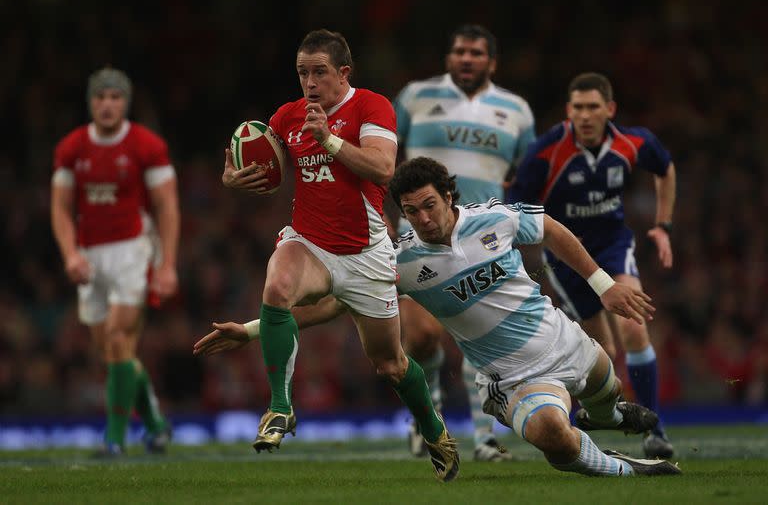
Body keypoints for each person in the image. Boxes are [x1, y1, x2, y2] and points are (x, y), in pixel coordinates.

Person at [195, 157, 681, 477]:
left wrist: (604, 284)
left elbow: (551, 229)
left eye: (430, 205)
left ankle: (610, 416)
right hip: (512, 378)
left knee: (608, 393)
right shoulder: (401, 263)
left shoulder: (493, 219)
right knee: (555, 438)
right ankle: (631, 472)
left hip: (563, 339)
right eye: (411, 211)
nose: (423, 219)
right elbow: (336, 303)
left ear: (448, 195)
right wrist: (257, 329)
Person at [219, 30, 459, 482]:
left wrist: (329, 140)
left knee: (391, 365)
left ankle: (433, 430)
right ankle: (279, 407)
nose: (309, 83)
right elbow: (254, 157)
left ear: (343, 73)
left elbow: (384, 167)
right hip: (309, 243)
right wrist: (233, 177)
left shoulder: (371, 106)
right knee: (277, 287)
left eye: (319, 72)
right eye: (302, 73)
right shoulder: (288, 116)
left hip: (366, 253)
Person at [507, 72, 676, 459]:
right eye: (578, 108)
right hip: (567, 259)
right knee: (602, 352)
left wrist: (662, 226)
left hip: (614, 246)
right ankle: (598, 415)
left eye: (593, 107)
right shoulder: (544, 153)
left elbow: (665, 169)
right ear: (568, 111)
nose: (585, 115)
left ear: (609, 109)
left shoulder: (633, 143)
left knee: (634, 330)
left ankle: (657, 431)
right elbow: (516, 211)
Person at [390, 24, 536, 461]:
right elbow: (383, 157)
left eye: (475, 53)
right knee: (421, 337)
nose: (465, 58)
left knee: (485, 335)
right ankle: (428, 419)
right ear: (448, 57)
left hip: (484, 237)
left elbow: (526, 174)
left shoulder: (516, 111)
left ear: (491, 61)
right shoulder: (414, 97)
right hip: (417, 236)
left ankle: (485, 439)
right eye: (458, 51)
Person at [51, 67, 178, 456]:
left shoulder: (146, 145)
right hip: (90, 253)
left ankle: (114, 440)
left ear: (126, 101)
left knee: (119, 338)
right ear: (91, 102)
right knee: (111, 352)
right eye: (101, 97)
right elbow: (60, 205)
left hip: (133, 250)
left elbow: (166, 205)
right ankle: (155, 423)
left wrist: (167, 264)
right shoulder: (71, 148)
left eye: (115, 97)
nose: (108, 104)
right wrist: (70, 253)